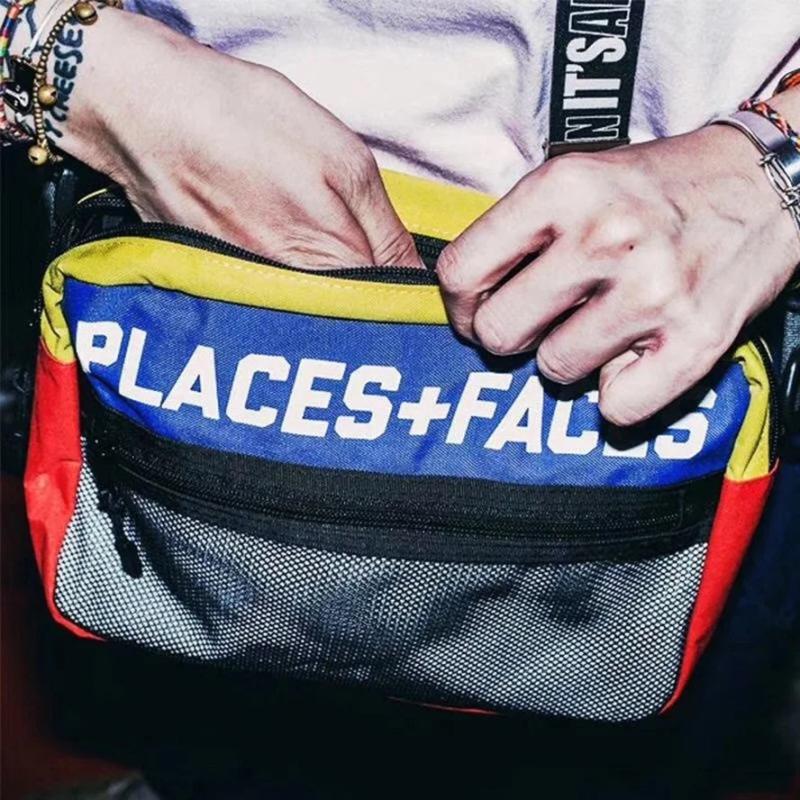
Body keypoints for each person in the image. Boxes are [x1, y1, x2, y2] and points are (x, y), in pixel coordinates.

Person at [3, 1, 799, 798]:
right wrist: (85, 67)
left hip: (704, 291)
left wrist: (774, 170)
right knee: (210, 737)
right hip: (200, 225)